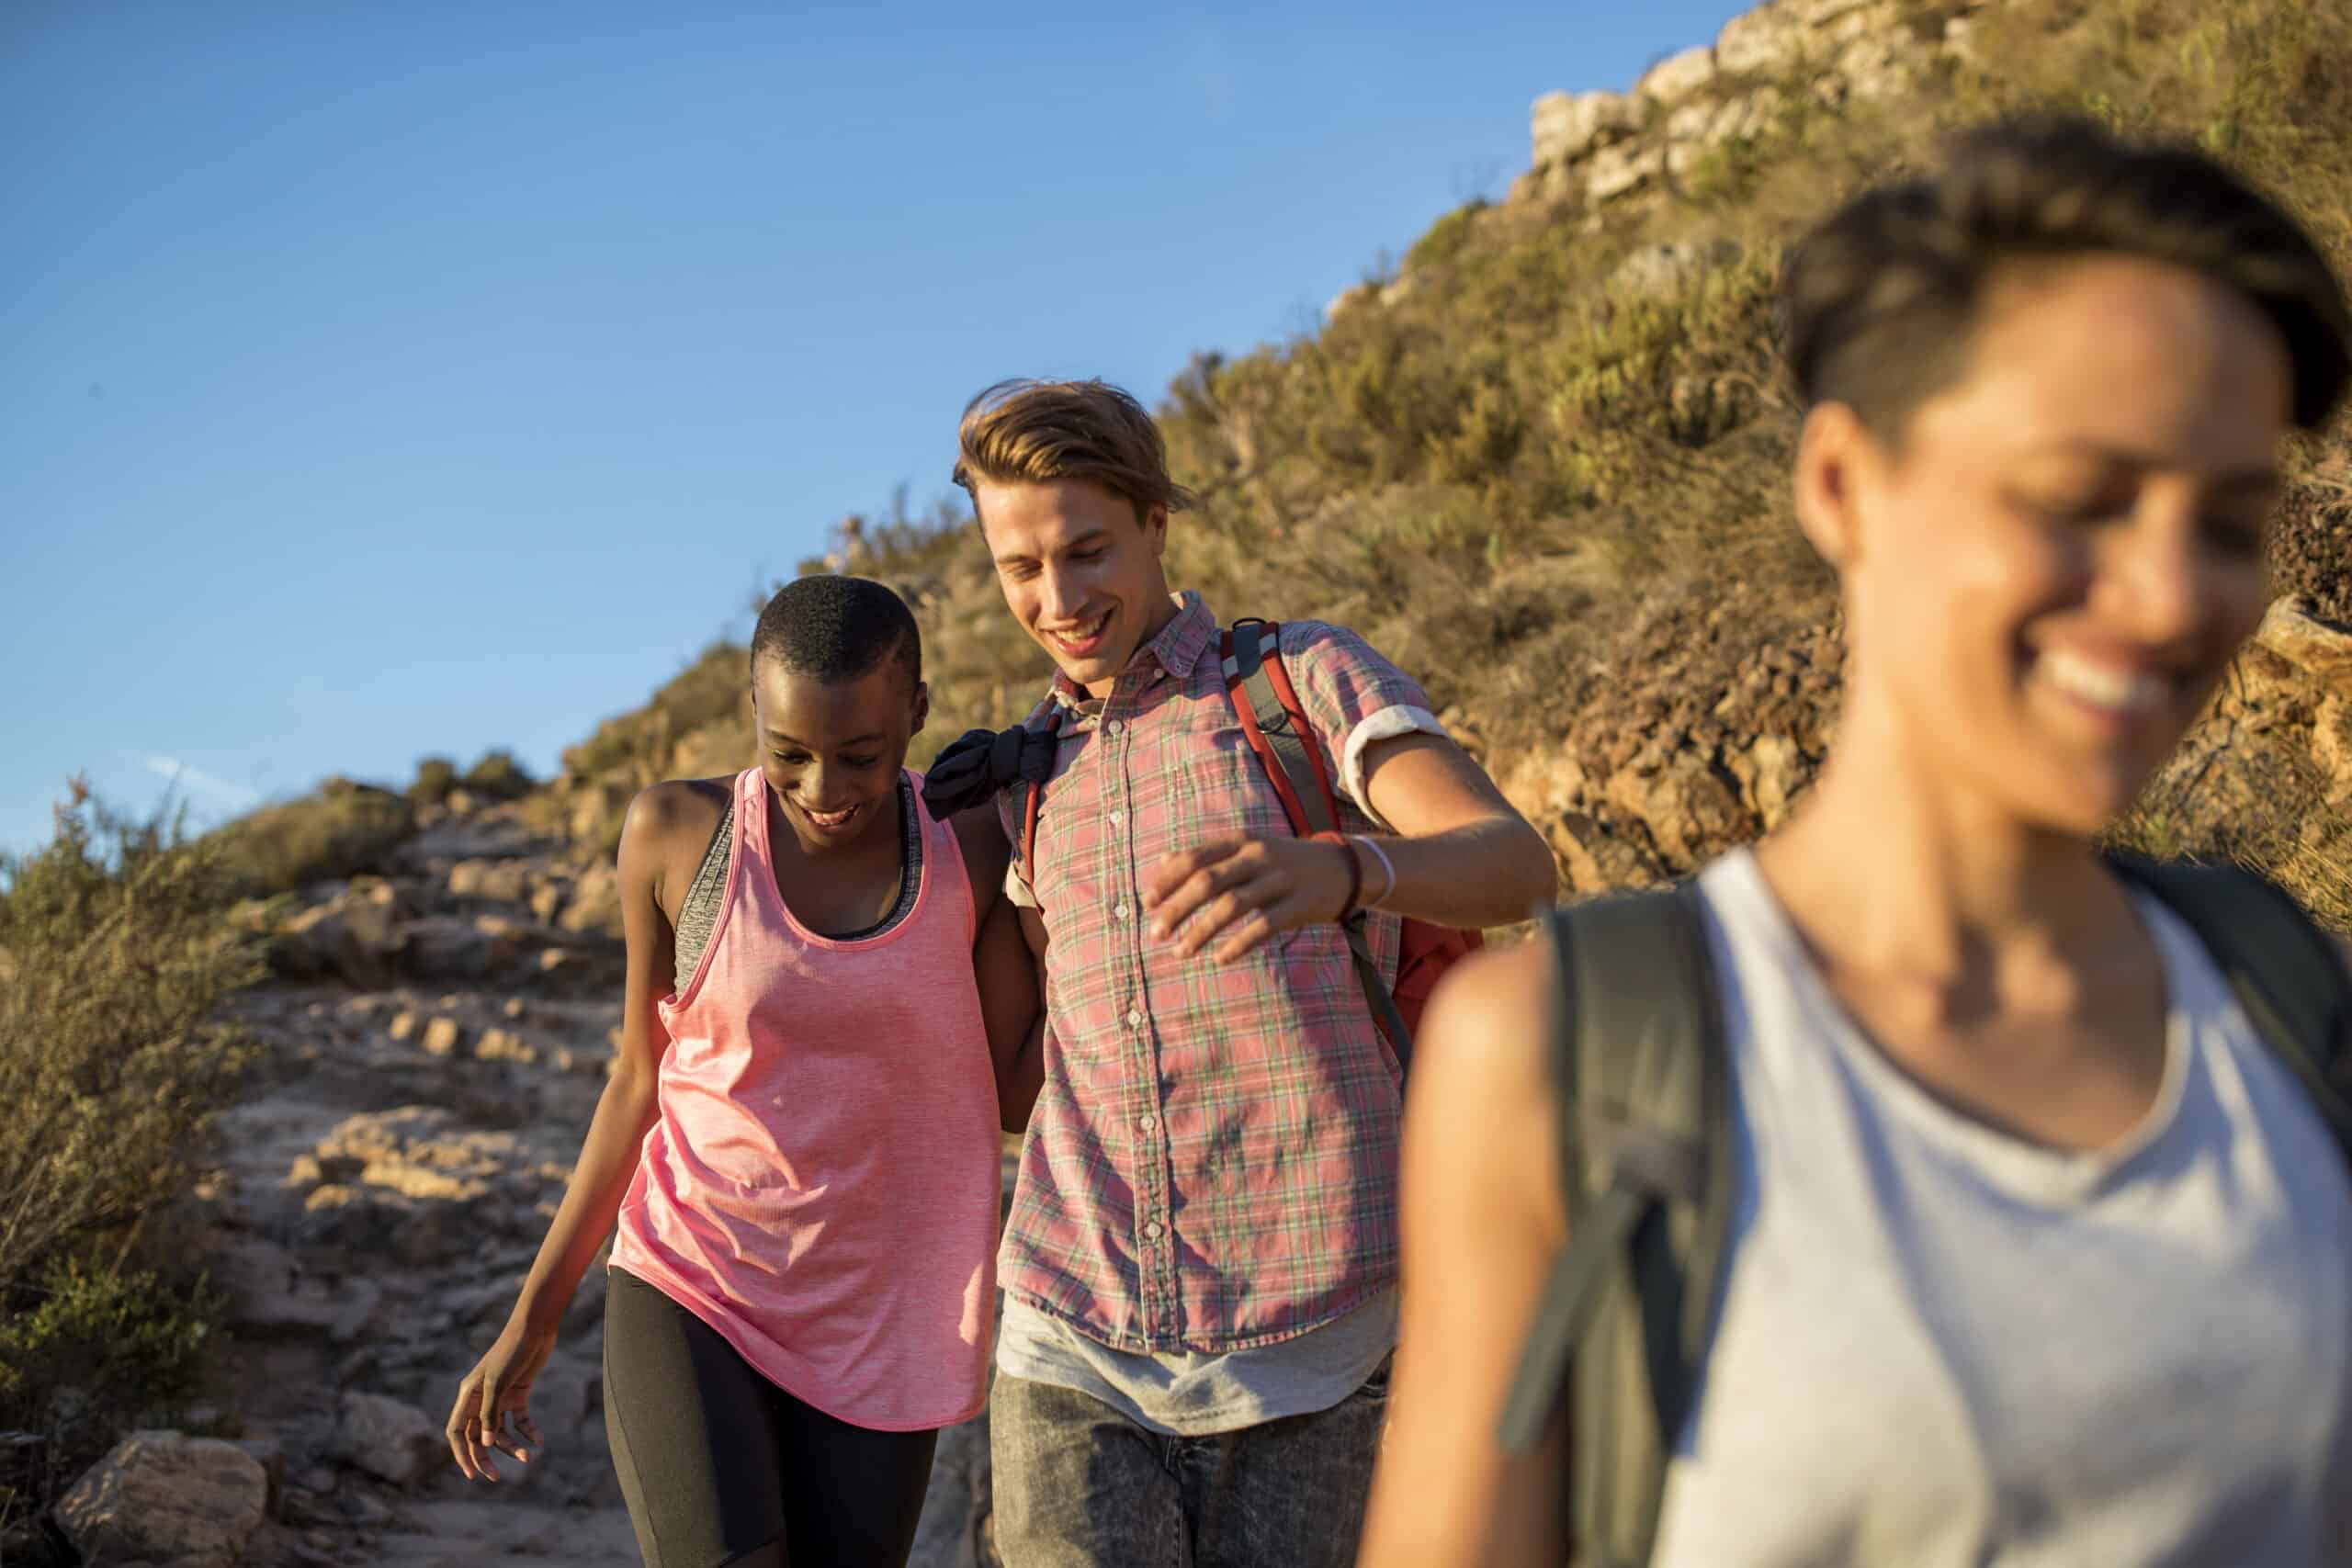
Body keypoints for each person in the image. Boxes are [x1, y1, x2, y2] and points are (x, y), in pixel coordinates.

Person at [1357, 115, 2352, 1567]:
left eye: (2229, 521)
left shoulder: (2285, 999)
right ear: (1843, 484)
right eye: (2080, 498)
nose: (2169, 597)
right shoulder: (1568, 1050)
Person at [930, 378, 1558, 1567]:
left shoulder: (1300, 684)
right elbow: (1026, 1066)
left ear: (1157, 521)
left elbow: (1518, 866)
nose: (1058, 598)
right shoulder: (1024, 772)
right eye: (1021, 568)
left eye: (1087, 550)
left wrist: (1347, 871)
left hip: (1322, 1344)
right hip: (1073, 1337)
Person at [443, 575, 1042, 1568]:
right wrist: (533, 1319)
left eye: (861, 756)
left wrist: (1056, 905)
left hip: (890, 1315)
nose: (824, 789)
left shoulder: (969, 849)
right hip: (697, 1281)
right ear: (752, 714)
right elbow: (637, 1081)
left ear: (918, 716)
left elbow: (1014, 1091)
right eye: (790, 754)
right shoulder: (679, 837)